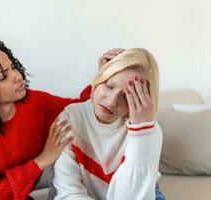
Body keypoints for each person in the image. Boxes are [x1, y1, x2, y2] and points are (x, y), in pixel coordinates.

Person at [0, 37, 123, 200]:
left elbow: (80, 108)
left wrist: (102, 75)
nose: (17, 76)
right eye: (3, 76)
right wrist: (42, 160)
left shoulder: (35, 103)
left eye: (13, 67)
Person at [53, 48, 165, 200]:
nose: (112, 102)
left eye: (127, 97)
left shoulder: (150, 132)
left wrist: (142, 132)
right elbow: (69, 193)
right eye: (109, 86)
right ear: (98, 80)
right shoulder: (70, 118)